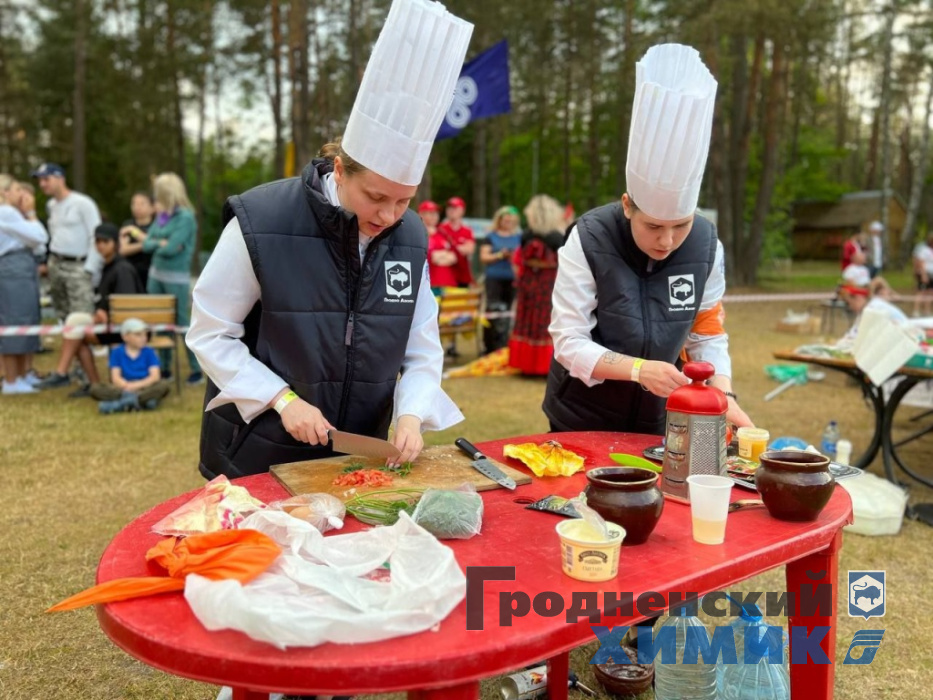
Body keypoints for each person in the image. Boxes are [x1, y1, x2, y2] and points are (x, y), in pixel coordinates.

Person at [186, 0, 471, 486]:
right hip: (255, 451)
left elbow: (421, 351)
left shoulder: (410, 237)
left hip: (358, 459)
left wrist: (410, 414)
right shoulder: (263, 219)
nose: (388, 216)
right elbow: (210, 332)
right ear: (340, 170)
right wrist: (281, 398)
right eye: (376, 197)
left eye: (404, 201)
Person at [543, 43, 753, 435]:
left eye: (681, 225)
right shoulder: (588, 238)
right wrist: (638, 370)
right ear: (627, 205)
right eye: (654, 226)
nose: (668, 240)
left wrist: (724, 396)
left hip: (661, 418)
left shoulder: (707, 247)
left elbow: (707, 335)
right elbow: (568, 342)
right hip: (582, 415)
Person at [38, 223, 146, 393]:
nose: (100, 245)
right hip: (110, 322)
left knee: (78, 333)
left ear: (115, 243)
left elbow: (127, 305)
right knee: (75, 323)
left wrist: (106, 315)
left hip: (124, 327)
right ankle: (89, 382)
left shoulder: (122, 268)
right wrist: (100, 312)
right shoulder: (108, 265)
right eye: (97, 241)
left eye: (105, 241)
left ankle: (68, 375)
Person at [137, 173, 202, 384]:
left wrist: (161, 243)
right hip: (155, 276)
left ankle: (195, 370)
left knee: (182, 323)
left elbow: (172, 248)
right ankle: (164, 368)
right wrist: (160, 243)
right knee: (159, 321)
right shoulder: (162, 215)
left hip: (176, 279)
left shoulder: (186, 217)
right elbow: (147, 243)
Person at [31, 162, 102, 318]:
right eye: (40, 180)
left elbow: (96, 236)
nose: (42, 184)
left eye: (46, 179)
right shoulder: (52, 205)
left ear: (60, 179)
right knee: (61, 311)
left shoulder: (83, 203)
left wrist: (90, 268)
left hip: (78, 264)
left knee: (81, 314)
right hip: (56, 263)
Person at [0, 174, 48, 395]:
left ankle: (20, 374)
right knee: (14, 321)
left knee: (24, 319)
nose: (23, 195)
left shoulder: (10, 215)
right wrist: (30, 214)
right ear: (5, 192)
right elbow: (39, 236)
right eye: (18, 190)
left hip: (20, 266)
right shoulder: (7, 213)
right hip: (12, 269)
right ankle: (11, 379)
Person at [507, 195, 565, 375]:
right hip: (548, 285)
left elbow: (521, 260)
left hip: (529, 283)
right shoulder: (557, 238)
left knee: (527, 321)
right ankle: (543, 365)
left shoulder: (526, 235)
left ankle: (527, 365)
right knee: (545, 322)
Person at [92, 318, 171, 414]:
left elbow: (155, 377)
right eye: (138, 335)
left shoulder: (149, 352)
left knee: (163, 385)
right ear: (125, 337)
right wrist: (126, 386)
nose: (143, 338)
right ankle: (140, 402)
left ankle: (120, 404)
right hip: (124, 388)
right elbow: (115, 378)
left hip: (145, 387)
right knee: (95, 389)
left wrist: (136, 386)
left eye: (145, 334)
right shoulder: (117, 352)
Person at [479, 205, 522, 353]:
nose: (508, 221)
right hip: (494, 278)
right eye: (505, 219)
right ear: (500, 220)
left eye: (511, 220)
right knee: (492, 310)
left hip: (512, 279)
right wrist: (499, 255)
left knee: (508, 311)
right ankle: (489, 345)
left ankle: (503, 344)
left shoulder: (519, 237)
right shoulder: (491, 236)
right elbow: (483, 257)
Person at [838, 277, 907, 346]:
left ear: (858, 297)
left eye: (848, 303)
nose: (850, 307)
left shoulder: (873, 308)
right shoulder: (869, 307)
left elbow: (856, 337)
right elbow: (852, 334)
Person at [119, 191, 156, 287]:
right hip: (131, 271)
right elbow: (123, 250)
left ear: (152, 208)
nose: (137, 207)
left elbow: (157, 245)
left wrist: (133, 232)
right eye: (134, 204)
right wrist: (146, 245)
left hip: (151, 272)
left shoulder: (157, 226)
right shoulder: (127, 224)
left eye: (142, 204)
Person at [438, 196, 475, 287]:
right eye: (449, 207)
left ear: (462, 210)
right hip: (446, 275)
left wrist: (451, 249)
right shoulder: (441, 228)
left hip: (462, 275)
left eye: (455, 208)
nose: (451, 210)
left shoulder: (467, 230)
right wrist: (459, 248)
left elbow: (469, 249)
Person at [423, 200, 459, 292]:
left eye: (436, 213)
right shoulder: (419, 233)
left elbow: (454, 256)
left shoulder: (442, 232)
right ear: (422, 214)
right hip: (430, 284)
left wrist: (438, 256)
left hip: (449, 282)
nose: (434, 216)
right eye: (430, 213)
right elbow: (429, 257)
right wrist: (443, 255)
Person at [912, 233, 933, 318]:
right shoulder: (924, 250)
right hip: (925, 273)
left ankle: (926, 310)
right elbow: (921, 262)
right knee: (921, 292)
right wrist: (924, 275)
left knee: (930, 293)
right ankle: (916, 310)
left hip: (932, 273)